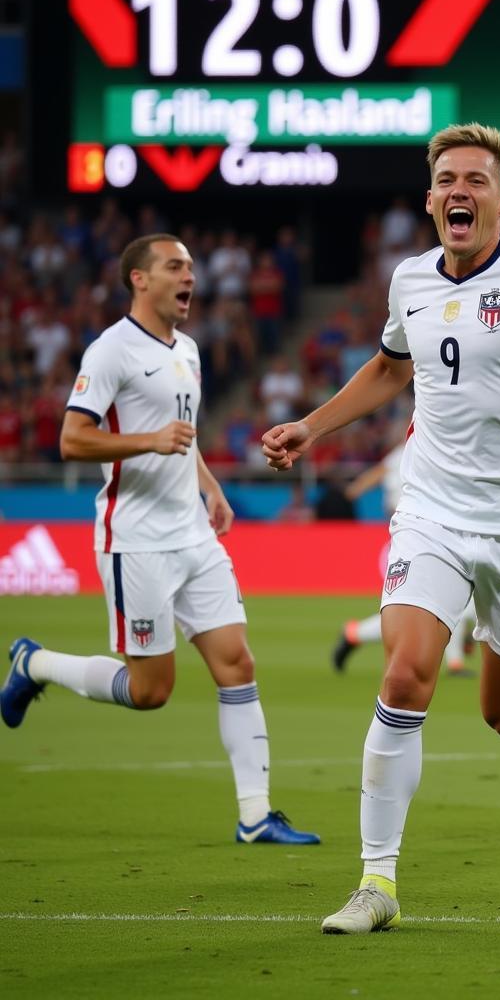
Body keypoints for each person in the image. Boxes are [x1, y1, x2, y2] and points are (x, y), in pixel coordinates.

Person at [261, 124, 500, 934]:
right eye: (447, 180)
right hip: (430, 512)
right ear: (431, 198)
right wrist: (313, 426)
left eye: (476, 180)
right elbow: (392, 367)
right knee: (404, 677)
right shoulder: (408, 278)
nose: (459, 191)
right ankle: (376, 882)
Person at [0, 234, 319, 847]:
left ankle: (255, 815)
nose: (189, 276)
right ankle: (34, 663)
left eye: (192, 267)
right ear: (139, 280)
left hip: (192, 534)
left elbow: (185, 434)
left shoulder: (190, 350)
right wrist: (146, 441)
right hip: (136, 539)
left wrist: (211, 488)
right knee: (151, 692)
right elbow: (72, 439)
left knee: (237, 664)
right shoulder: (110, 352)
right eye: (175, 266)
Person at [331, 437, 478, 677]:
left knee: (447, 601)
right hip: (416, 536)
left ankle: (456, 660)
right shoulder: (421, 447)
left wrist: (353, 491)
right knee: (417, 608)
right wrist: (352, 492)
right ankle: (354, 633)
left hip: (434, 533)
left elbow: (380, 471)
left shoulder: (428, 448)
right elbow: (382, 472)